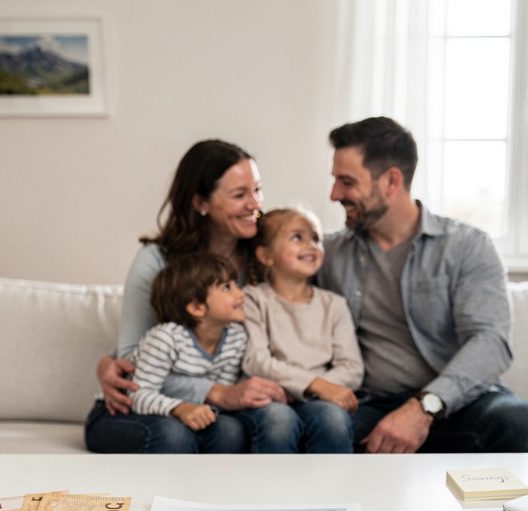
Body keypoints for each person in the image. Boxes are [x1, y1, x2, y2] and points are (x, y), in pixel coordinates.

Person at [319, 116, 528, 453]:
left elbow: (491, 342)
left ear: (391, 181)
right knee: (316, 425)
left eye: (346, 182)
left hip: (458, 403)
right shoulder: (329, 253)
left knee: (524, 424)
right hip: (369, 406)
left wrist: (424, 406)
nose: (334, 194)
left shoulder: (466, 246)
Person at [85, 139, 288, 453]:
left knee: (231, 430)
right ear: (201, 203)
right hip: (146, 403)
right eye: (239, 195)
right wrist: (217, 393)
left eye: (257, 190)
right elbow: (131, 364)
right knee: (173, 434)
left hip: (231, 395)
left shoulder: (268, 255)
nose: (255, 205)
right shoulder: (157, 261)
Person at [241, 207, 364, 453]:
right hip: (269, 397)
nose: (311, 245)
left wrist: (317, 389)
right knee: (279, 422)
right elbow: (256, 361)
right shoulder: (252, 299)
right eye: (297, 237)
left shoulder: (334, 305)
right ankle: (275, 492)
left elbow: (352, 368)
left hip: (318, 399)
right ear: (266, 255)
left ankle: (334, 492)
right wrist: (314, 384)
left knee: (333, 420)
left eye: (316, 238)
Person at [114, 253, 249, 453]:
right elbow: (138, 396)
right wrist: (180, 409)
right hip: (122, 412)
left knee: (230, 430)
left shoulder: (236, 337)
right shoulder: (165, 338)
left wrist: (201, 414)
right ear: (196, 307)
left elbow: (221, 393)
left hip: (178, 412)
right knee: (173, 433)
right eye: (227, 287)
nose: (241, 294)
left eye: (235, 284)